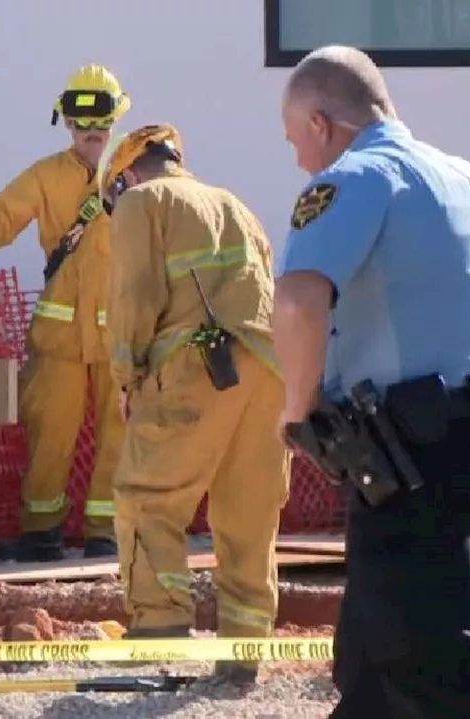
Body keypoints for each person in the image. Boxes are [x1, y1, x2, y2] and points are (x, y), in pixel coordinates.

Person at [274, 45, 470, 716]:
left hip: (405, 459)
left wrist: (296, 409)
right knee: (369, 669)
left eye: (294, 141)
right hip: (467, 444)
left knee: (437, 674)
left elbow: (299, 297)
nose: (299, 161)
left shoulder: (356, 177)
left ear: (320, 122)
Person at [104, 124, 288, 684]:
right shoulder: (236, 205)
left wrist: (127, 376)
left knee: (148, 499)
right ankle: (243, 656)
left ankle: (158, 635)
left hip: (194, 367)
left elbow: (134, 295)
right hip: (269, 373)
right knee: (248, 518)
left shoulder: (141, 201)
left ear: (128, 173)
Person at [0, 64, 130, 561]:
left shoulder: (136, 175)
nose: (91, 131)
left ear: (115, 119)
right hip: (60, 337)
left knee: (121, 435)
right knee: (49, 433)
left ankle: (105, 534)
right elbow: (3, 220)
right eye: (80, 120)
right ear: (66, 123)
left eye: (101, 119)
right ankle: (42, 532)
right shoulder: (45, 176)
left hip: (122, 337)